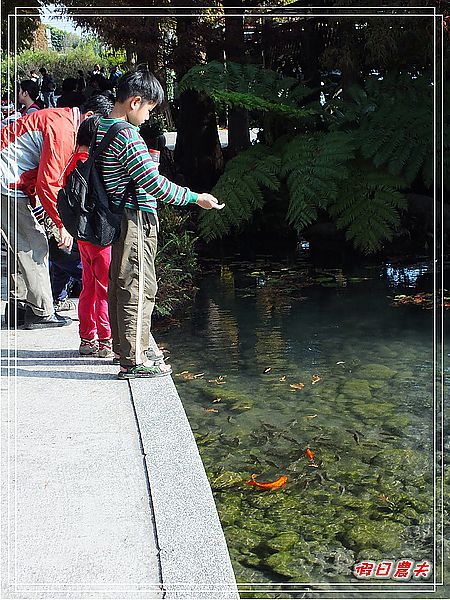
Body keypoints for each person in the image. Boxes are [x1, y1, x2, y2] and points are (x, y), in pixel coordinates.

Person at [96, 67, 224, 379]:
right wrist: (197, 198)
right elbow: (156, 186)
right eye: (150, 109)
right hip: (135, 218)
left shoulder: (102, 127)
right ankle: (134, 360)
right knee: (138, 286)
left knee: (120, 282)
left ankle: (122, 348)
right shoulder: (128, 136)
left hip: (116, 215)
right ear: (135, 102)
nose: (150, 117)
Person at [0, 95, 114, 329]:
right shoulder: (63, 129)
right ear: (89, 117)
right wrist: (62, 225)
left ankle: (18, 307)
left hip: (11, 181)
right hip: (6, 180)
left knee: (18, 245)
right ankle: (40, 312)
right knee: (35, 245)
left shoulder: (60, 119)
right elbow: (49, 182)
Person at [62, 115, 114, 357]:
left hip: (82, 235)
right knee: (104, 288)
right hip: (100, 235)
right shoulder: (94, 163)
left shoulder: (72, 161)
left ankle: (86, 338)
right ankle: (106, 341)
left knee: (88, 287)